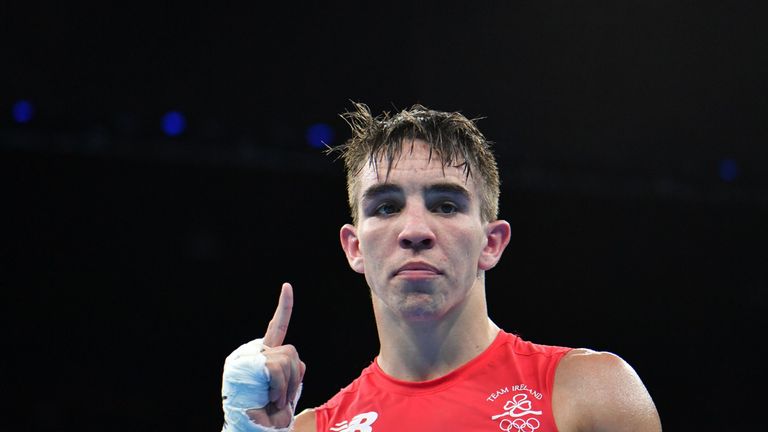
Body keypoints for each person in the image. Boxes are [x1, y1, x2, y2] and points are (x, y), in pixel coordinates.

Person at [221, 103, 662, 431]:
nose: (415, 230)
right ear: (354, 248)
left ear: (491, 243)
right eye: (387, 206)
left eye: (446, 205)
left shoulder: (589, 393)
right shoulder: (308, 428)